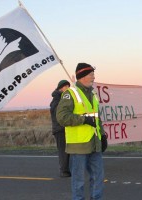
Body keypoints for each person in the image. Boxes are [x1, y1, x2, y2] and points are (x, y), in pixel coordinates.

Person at [56, 63, 105, 200]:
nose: (94, 77)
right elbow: (62, 117)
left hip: (94, 143)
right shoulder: (70, 94)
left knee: (98, 178)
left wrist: (103, 135)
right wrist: (83, 119)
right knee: (79, 181)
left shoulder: (93, 93)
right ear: (82, 76)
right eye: (91, 75)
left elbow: (96, 117)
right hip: (78, 146)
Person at [50, 80, 71, 178]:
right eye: (67, 86)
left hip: (65, 128)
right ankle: (64, 171)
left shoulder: (62, 99)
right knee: (63, 150)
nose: (68, 89)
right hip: (60, 129)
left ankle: (67, 169)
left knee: (68, 150)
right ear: (61, 88)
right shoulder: (56, 101)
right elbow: (59, 116)